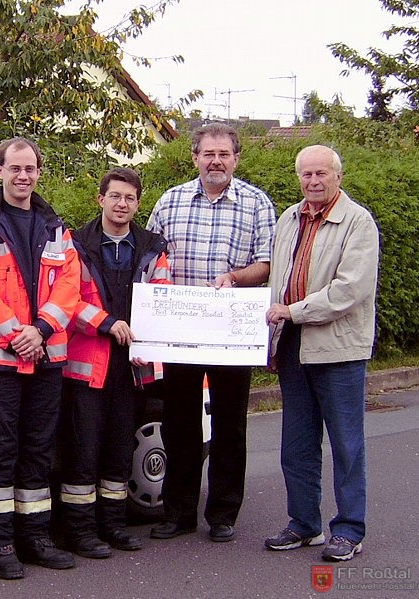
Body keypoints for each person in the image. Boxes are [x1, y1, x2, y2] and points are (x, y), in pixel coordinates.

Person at [0, 137, 80, 580]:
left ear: (38, 172)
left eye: (30, 168)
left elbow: (69, 285)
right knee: (0, 449)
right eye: (15, 168)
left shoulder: (55, 227)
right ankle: (0, 544)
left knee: (38, 449)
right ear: (0, 171)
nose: (23, 176)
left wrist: (41, 330)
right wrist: (18, 337)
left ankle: (36, 537)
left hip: (45, 356)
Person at [146, 123, 276, 542]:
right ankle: (178, 512)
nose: (216, 161)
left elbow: (267, 263)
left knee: (229, 427)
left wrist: (234, 278)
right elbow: (151, 259)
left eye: (223, 154)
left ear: (236, 158)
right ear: (195, 157)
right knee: (178, 425)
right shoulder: (170, 201)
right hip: (181, 332)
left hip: (231, 335)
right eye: (208, 154)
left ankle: (222, 513)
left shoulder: (256, 203)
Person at [264, 145, 379, 562]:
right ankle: (304, 523)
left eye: (321, 174)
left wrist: (293, 311)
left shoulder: (358, 222)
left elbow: (350, 290)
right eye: (306, 174)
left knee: (346, 444)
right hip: (292, 342)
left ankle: (349, 529)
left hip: (338, 347)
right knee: (296, 442)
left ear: (338, 176)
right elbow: (277, 279)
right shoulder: (288, 218)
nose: (313, 181)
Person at [60, 167, 170, 559]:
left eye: (129, 198)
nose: (121, 204)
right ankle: (80, 532)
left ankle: (113, 526)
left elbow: (161, 297)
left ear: (138, 204)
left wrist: (149, 341)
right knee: (83, 451)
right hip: (87, 366)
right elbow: (66, 301)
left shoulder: (154, 247)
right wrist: (107, 323)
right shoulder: (74, 245)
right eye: (115, 196)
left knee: (121, 450)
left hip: (132, 366)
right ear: (100, 199)